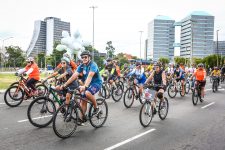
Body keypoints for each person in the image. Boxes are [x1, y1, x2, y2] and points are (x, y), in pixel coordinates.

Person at [61, 51, 103, 120]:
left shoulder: (93, 65)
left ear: (89, 57)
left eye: (85, 57)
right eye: (82, 57)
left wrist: (85, 86)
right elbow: (73, 76)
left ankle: (96, 108)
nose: (84, 58)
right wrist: (65, 84)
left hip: (96, 83)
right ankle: (82, 118)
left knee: (87, 93)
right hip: (87, 83)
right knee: (83, 100)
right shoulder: (82, 65)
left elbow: (90, 76)